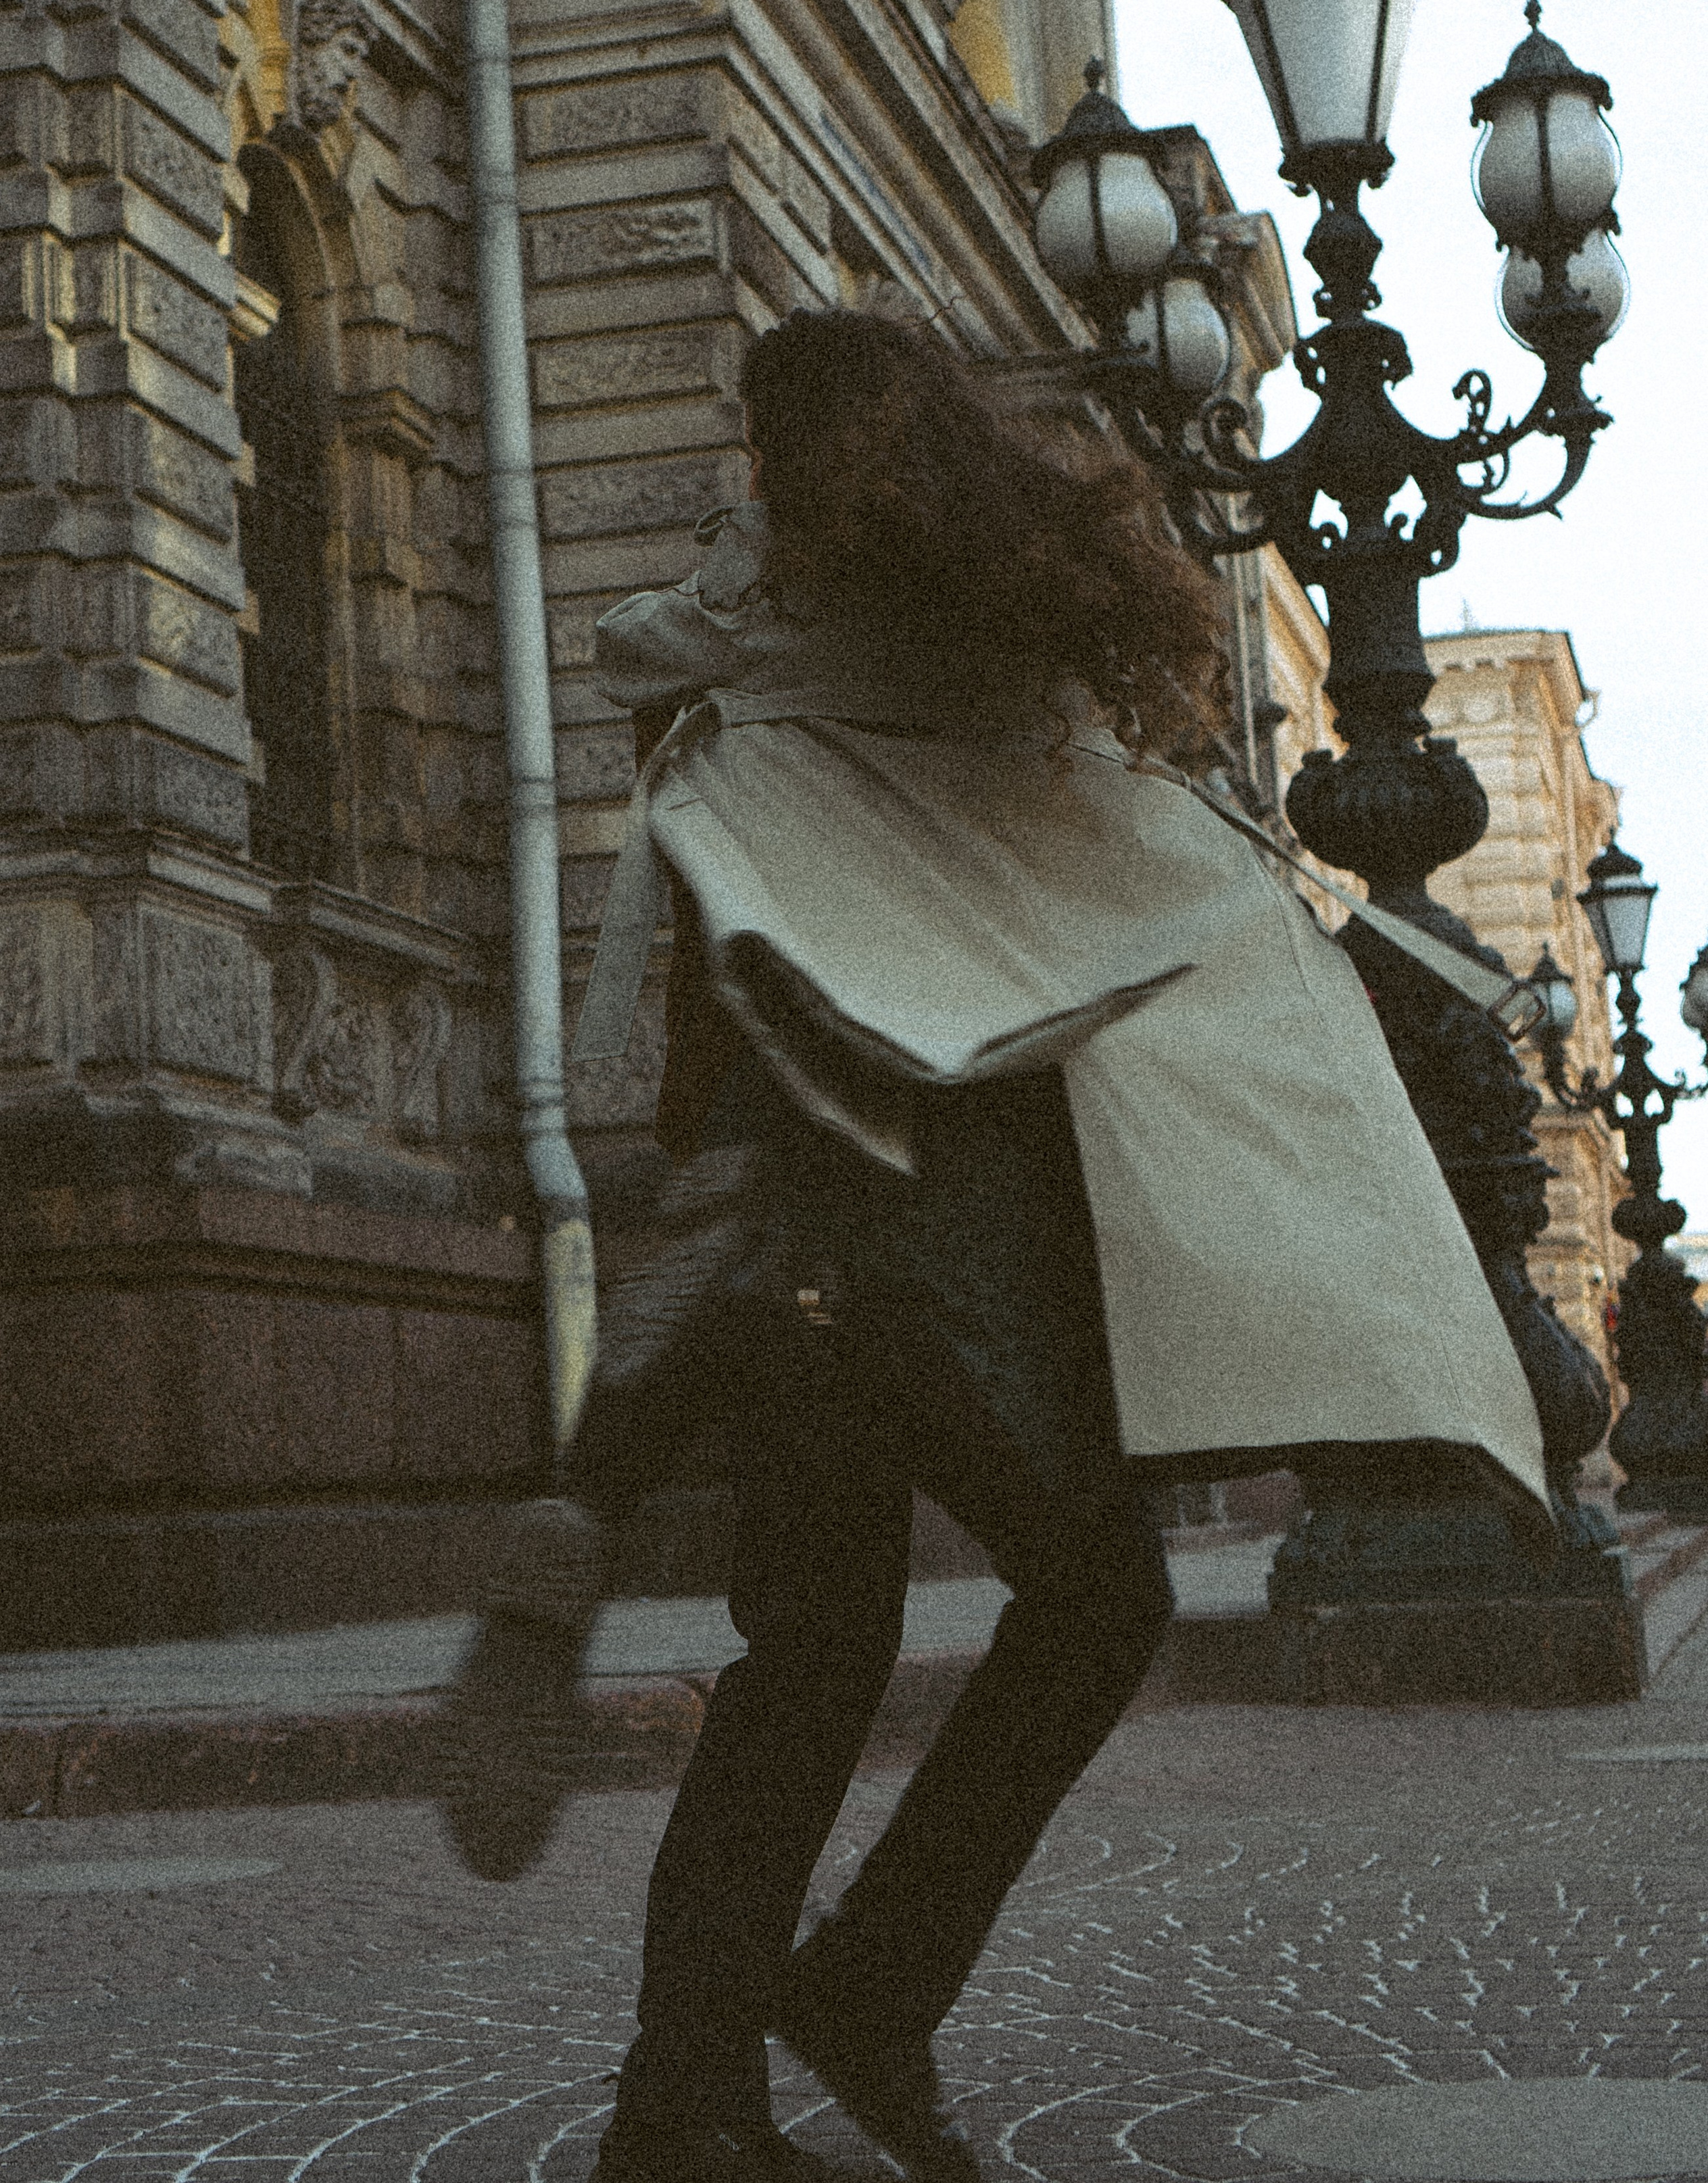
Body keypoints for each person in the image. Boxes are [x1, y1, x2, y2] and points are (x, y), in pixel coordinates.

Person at [439, 308, 1553, 2183]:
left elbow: (732, 970)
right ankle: (860, 1994)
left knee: (811, 1655)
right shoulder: (989, 669)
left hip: (775, 1240)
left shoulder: (731, 677)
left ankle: (684, 2097)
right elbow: (1138, 911)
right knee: (1099, 1603)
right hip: (921, 1256)